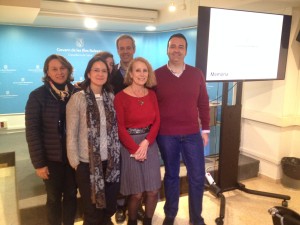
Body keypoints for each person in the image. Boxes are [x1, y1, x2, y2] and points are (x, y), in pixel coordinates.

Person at [155, 33, 210, 225]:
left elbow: (203, 103)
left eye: (180, 47)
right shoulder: (156, 75)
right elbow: (152, 106)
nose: (176, 50)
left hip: (192, 134)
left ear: (186, 50)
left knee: (197, 176)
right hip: (166, 135)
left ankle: (196, 218)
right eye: (173, 46)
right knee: (171, 175)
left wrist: (206, 130)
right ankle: (170, 214)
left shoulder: (196, 74)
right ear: (167, 50)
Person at [66, 56, 121, 225]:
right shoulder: (78, 98)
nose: (100, 74)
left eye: (104, 70)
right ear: (88, 73)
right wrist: (75, 163)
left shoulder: (111, 97)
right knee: (92, 212)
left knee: (108, 208)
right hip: (87, 164)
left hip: (111, 163)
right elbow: (71, 133)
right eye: (96, 70)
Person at [25, 54, 77, 225]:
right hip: (51, 159)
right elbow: (33, 132)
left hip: (72, 158)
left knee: (71, 196)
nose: (59, 72)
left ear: (68, 70)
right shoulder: (37, 96)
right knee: (54, 199)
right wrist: (39, 163)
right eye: (54, 69)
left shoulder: (77, 93)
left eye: (63, 68)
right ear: (47, 72)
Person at [114, 57, 161, 225]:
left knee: (153, 191)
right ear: (131, 74)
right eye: (138, 70)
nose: (142, 74)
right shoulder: (120, 97)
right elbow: (119, 127)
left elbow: (157, 122)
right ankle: (132, 221)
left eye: (145, 70)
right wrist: (135, 149)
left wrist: (147, 142)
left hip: (149, 143)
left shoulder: (152, 95)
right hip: (129, 146)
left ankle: (147, 221)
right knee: (136, 193)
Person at [111, 34, 145, 223]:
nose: (125, 51)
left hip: (139, 133)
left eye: (128, 48)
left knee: (137, 171)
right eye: (121, 48)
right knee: (121, 170)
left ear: (133, 49)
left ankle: (137, 205)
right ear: (118, 51)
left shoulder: (142, 72)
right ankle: (120, 206)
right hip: (117, 131)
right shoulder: (111, 74)